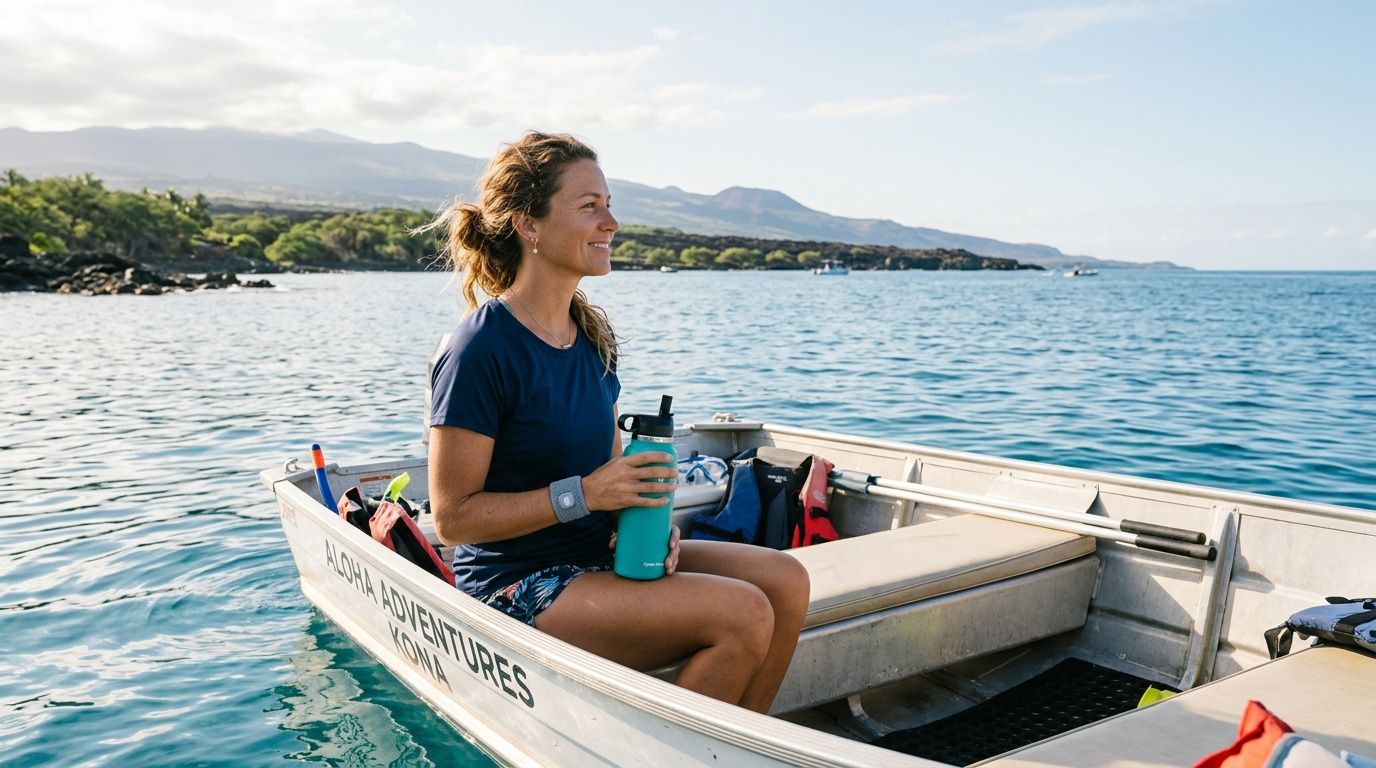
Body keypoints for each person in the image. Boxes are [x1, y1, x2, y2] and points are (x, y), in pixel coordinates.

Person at [424, 131, 809, 713]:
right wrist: (583, 495)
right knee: (743, 615)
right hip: (515, 585)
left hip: (595, 554)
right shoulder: (480, 349)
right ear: (529, 225)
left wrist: (651, 533)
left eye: (608, 204)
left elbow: (611, 478)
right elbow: (452, 520)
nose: (611, 222)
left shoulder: (590, 341)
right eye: (590, 207)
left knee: (785, 581)